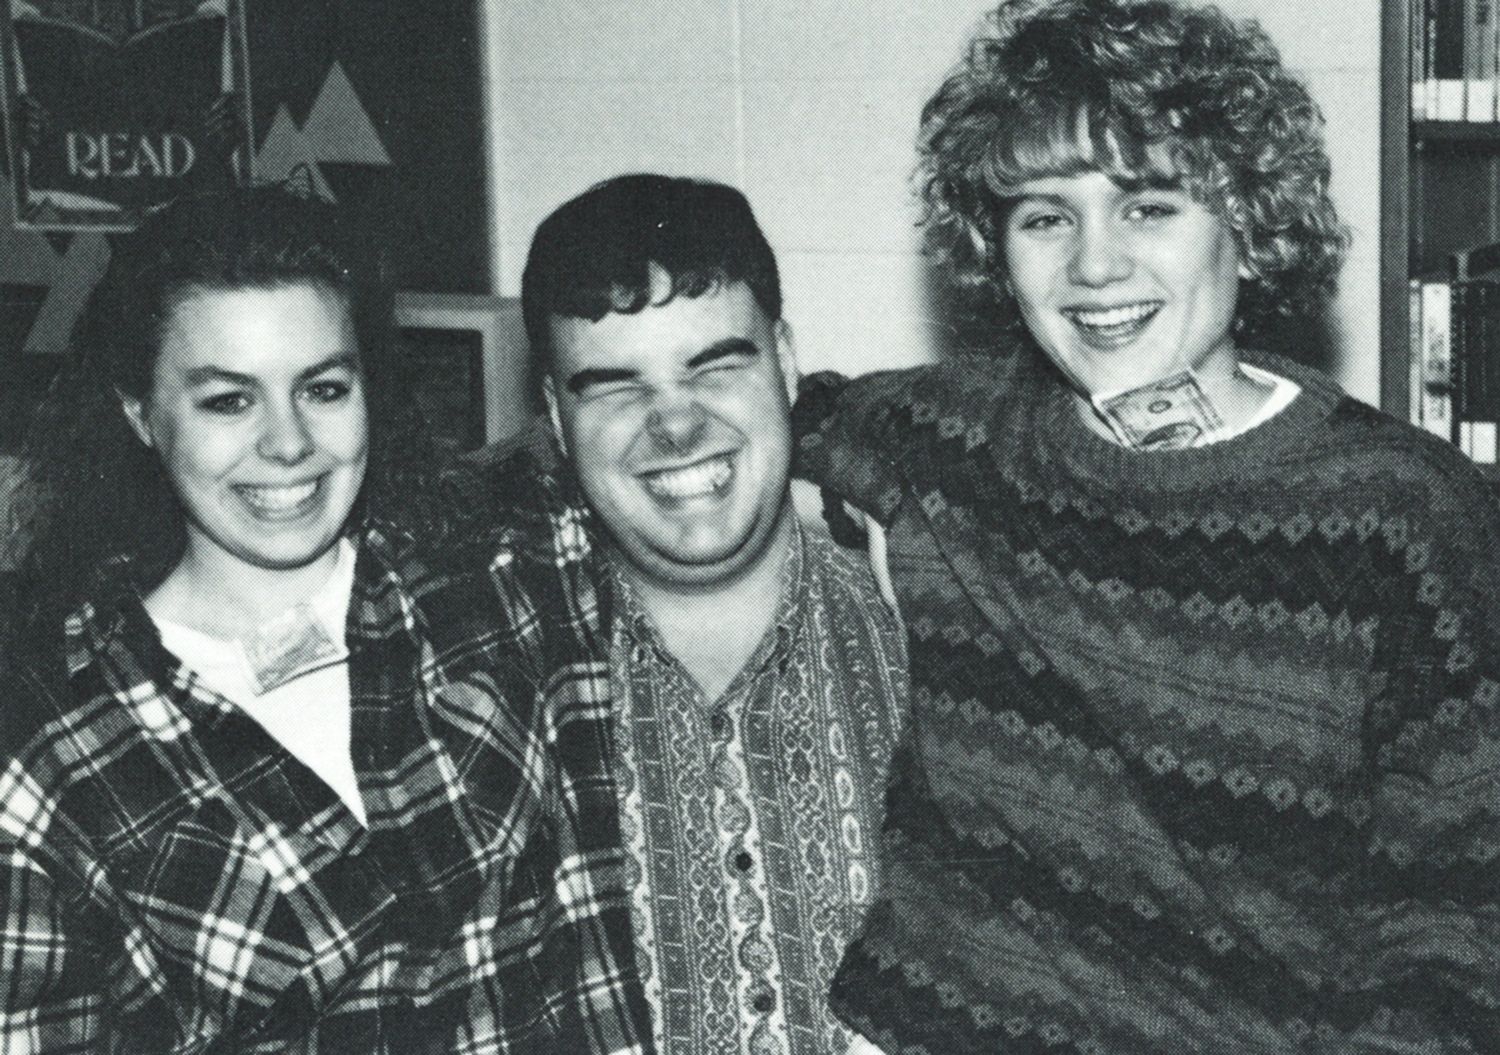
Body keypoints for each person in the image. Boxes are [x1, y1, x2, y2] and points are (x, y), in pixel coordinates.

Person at [794, 1, 1500, 1052]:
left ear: (1250, 223)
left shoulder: (1402, 512)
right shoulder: (949, 434)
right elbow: (733, 420)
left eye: (1149, 205)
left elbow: (1464, 920)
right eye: (1045, 216)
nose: (1094, 266)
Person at [0, 185, 648, 1053]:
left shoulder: (501, 575)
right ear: (141, 413)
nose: (289, 442)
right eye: (228, 400)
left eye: (323, 388)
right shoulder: (53, 762)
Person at [485, 172, 909, 1055]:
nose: (674, 425)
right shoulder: (489, 691)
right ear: (554, 416)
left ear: (785, 362)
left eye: (714, 366)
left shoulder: (932, 641)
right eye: (613, 386)